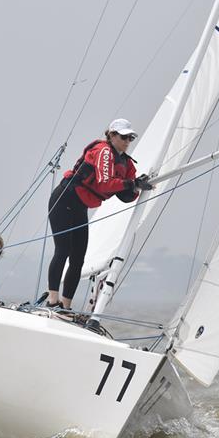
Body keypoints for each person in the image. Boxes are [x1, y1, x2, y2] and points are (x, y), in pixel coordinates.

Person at [45, 119, 152, 319]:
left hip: (80, 207)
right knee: (63, 250)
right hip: (65, 199)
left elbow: (126, 195)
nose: (127, 141)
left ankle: (65, 308)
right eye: (123, 137)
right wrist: (131, 183)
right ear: (111, 135)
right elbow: (105, 184)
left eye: (130, 137)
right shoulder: (103, 151)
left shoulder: (126, 163)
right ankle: (52, 301)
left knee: (78, 258)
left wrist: (137, 186)